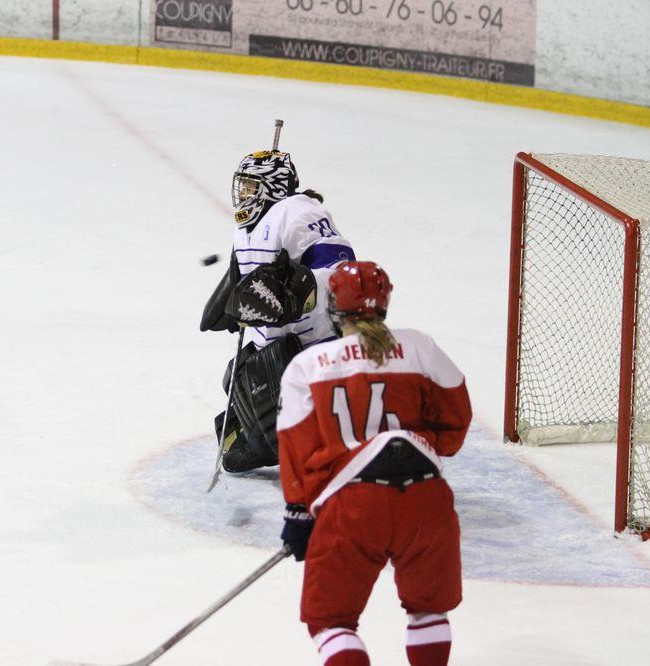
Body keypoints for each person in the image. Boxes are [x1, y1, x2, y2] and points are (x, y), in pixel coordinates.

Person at [276, 261, 471, 666]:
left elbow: (296, 448)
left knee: (331, 622)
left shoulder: (308, 366)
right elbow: (456, 420)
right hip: (426, 499)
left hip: (353, 507)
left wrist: (298, 512)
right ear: (384, 303)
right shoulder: (419, 347)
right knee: (429, 609)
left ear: (333, 306)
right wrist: (424, 442)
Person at [201, 147, 355, 472]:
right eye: (240, 186)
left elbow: (342, 269)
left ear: (274, 186)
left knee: (266, 423)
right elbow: (245, 272)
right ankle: (289, 438)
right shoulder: (245, 226)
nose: (243, 194)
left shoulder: (298, 212)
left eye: (251, 187)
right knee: (235, 378)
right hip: (275, 346)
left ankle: (312, 440)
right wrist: (229, 299)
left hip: (312, 347)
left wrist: (298, 290)